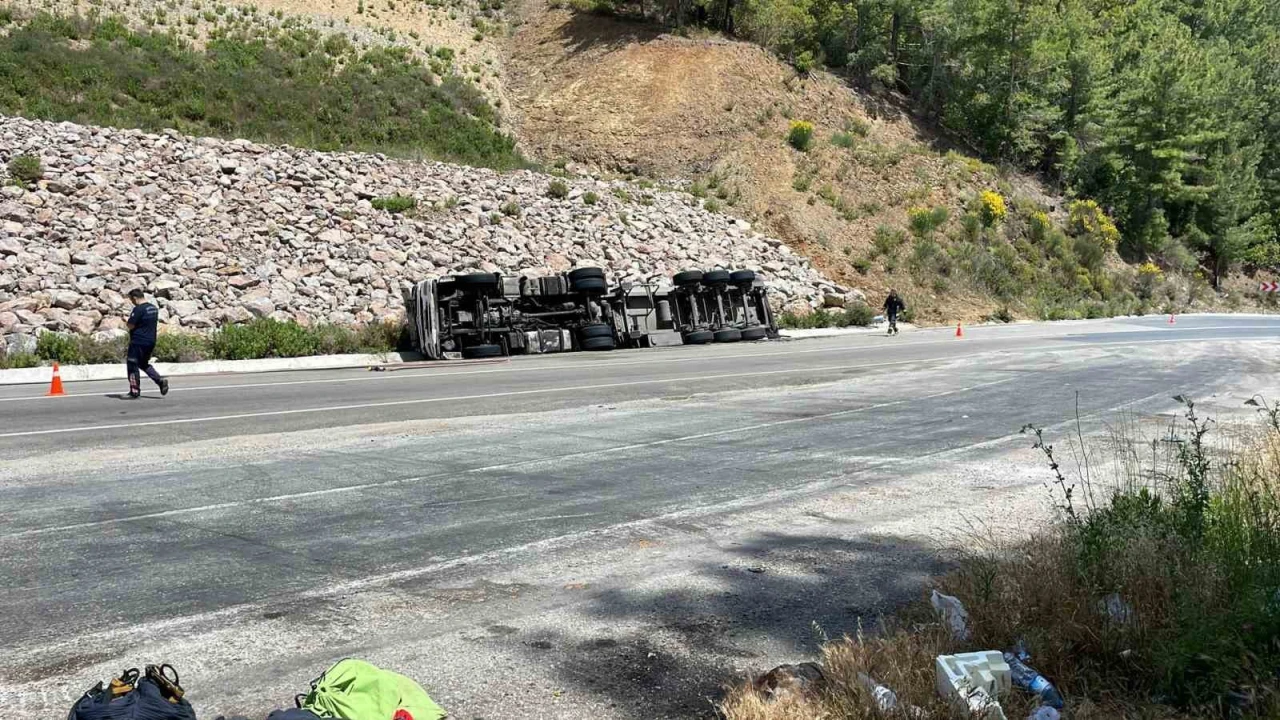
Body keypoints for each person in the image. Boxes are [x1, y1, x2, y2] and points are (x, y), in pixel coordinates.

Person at [125, 288, 169, 398]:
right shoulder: (153, 308)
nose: (132, 302)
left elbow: (130, 325)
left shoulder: (138, 309)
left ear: (135, 298)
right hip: (151, 341)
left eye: (132, 300)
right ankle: (159, 380)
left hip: (138, 341)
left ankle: (134, 391)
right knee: (143, 364)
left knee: (132, 364)